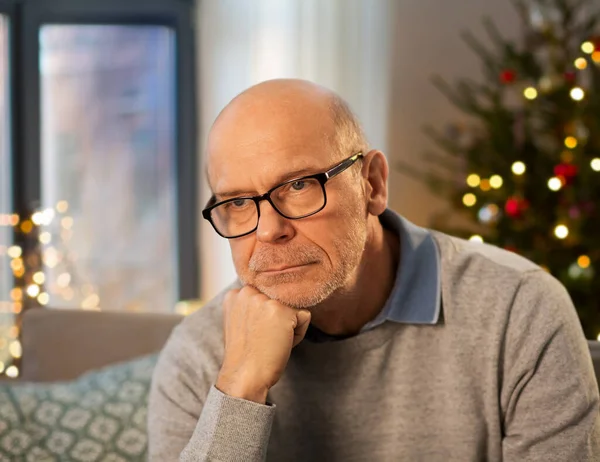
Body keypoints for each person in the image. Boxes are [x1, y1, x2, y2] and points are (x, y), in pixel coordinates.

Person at [148, 79, 600, 461]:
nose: (269, 230)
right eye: (239, 202)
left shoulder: (518, 310)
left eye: (299, 185)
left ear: (372, 184)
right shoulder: (199, 354)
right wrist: (240, 388)